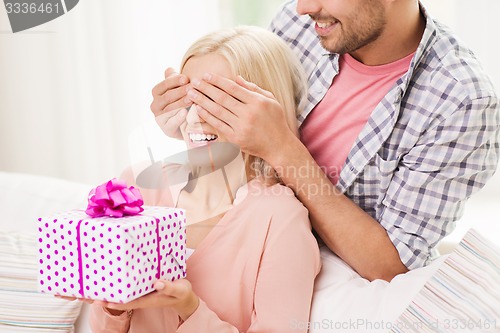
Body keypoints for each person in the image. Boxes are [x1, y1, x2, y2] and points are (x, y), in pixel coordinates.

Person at [150, 0, 500, 282]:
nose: (302, 7)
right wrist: (194, 122)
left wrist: (283, 148)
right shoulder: (303, 22)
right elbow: (244, 157)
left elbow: (392, 266)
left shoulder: (460, 100)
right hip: (255, 254)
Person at [89, 26, 321, 332]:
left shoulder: (280, 219)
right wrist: (111, 305)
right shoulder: (136, 185)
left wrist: (189, 308)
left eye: (216, 101)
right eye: (188, 98)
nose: (195, 117)